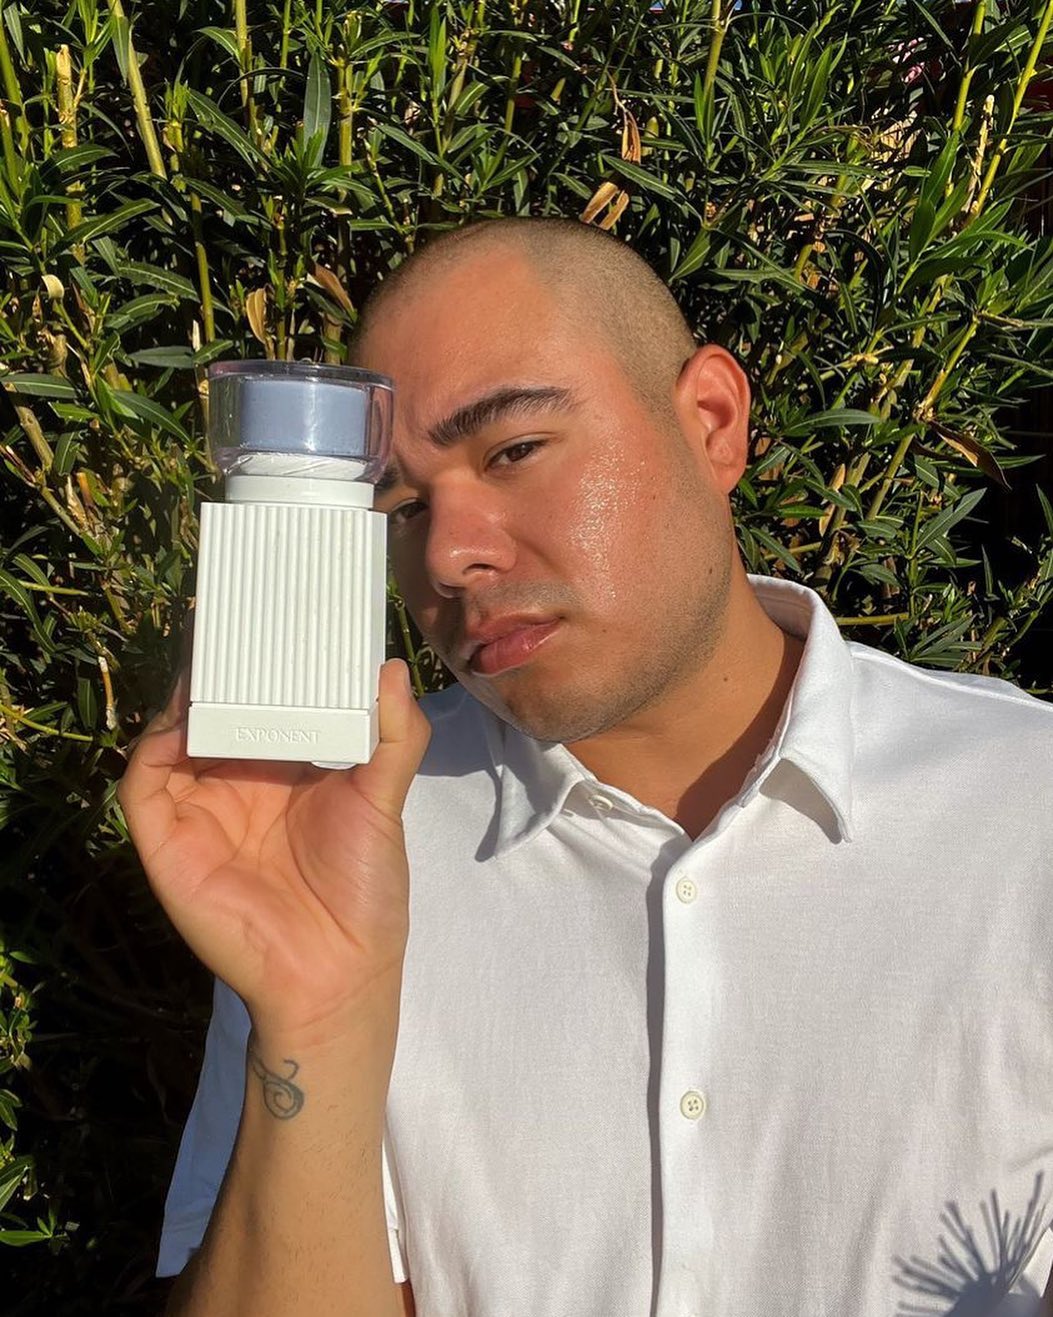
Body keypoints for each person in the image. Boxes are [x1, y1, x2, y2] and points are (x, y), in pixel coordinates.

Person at [119, 217, 1053, 1317]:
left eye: (513, 450)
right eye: (404, 508)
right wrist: (314, 1012)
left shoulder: (1022, 811)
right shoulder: (345, 837)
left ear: (711, 422)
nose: (449, 553)